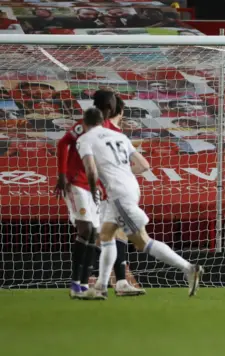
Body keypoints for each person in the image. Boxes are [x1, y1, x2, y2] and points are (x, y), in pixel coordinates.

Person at [77, 108, 203, 300]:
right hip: (129, 188)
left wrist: (95, 188)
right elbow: (143, 165)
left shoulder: (85, 139)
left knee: (143, 241)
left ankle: (189, 268)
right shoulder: (119, 137)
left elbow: (91, 170)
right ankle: (104, 286)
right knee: (106, 234)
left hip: (117, 192)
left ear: (85, 124)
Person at [56, 91, 144, 298]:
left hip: (96, 189)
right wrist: (62, 175)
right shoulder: (87, 127)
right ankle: (79, 285)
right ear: (111, 109)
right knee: (88, 231)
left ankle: (84, 286)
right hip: (79, 184)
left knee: (95, 233)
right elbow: (63, 144)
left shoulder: (111, 132)